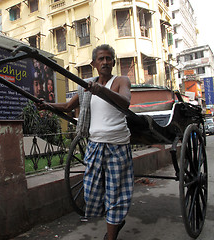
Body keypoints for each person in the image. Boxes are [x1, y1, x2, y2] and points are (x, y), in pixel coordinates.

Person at [36, 44, 133, 240]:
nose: (105, 62)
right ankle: (116, 217)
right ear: (93, 63)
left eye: (109, 58)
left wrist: (101, 91)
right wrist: (47, 105)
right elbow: (67, 106)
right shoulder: (87, 86)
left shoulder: (121, 80)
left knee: (114, 193)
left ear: (113, 62)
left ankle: (112, 233)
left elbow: (125, 102)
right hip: (95, 145)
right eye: (101, 59)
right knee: (90, 193)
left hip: (117, 145)